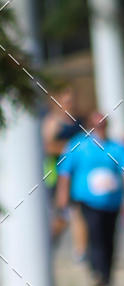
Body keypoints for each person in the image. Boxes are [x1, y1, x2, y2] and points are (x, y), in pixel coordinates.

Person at [55, 112, 124, 286]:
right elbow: (65, 171)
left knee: (109, 238)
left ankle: (107, 276)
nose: (100, 129)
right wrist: (62, 196)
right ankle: (96, 272)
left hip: (112, 201)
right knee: (95, 234)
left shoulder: (116, 147)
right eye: (97, 126)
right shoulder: (78, 145)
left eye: (103, 125)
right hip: (87, 200)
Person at [42, 85, 87, 253]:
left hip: (77, 174)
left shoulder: (80, 121)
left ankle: (81, 252)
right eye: (66, 101)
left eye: (72, 101)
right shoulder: (53, 122)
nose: (70, 104)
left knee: (78, 213)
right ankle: (49, 243)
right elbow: (46, 147)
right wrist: (69, 149)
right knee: (62, 217)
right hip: (57, 174)